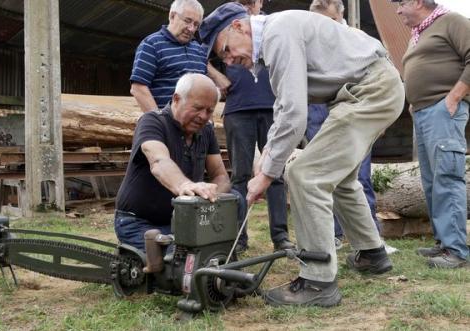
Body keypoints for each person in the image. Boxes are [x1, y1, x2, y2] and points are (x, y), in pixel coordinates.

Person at [200, 3, 404, 307]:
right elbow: (284, 108)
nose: (229, 60)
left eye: (227, 50)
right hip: (369, 90)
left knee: (305, 175)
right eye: (223, 58)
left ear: (240, 26)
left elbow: (294, 115)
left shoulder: (278, 34)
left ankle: (318, 281)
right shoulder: (275, 40)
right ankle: (372, 254)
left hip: (369, 90)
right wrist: (269, 154)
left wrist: (267, 174)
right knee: (342, 180)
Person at [307, 0, 398, 254]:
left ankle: (373, 240)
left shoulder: (359, 38)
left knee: (361, 176)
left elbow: (382, 79)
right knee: (322, 174)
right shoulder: (312, 40)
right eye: (319, 22)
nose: (325, 27)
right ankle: (332, 235)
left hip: (355, 108)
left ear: (341, 14)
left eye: (330, 21)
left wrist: (379, 122)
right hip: (319, 111)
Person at [115, 73, 235, 252]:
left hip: (183, 222)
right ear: (177, 99)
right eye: (197, 108)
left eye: (209, 111)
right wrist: (185, 185)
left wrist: (211, 194)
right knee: (182, 262)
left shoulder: (206, 130)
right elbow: (158, 161)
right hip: (138, 222)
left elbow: (220, 176)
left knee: (214, 256)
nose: (203, 116)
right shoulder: (152, 122)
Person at [395, 0, 470, 268]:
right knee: (431, 181)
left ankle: (457, 251)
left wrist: (454, 97)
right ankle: (443, 243)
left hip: (444, 110)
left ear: (417, 1)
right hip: (425, 113)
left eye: (401, 3)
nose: (397, 10)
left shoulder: (453, 21)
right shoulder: (420, 33)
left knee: (447, 178)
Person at [215, 0, 294, 253]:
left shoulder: (273, 27)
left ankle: (280, 237)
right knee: (239, 175)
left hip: (272, 107)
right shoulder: (224, 31)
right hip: (238, 109)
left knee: (276, 174)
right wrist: (218, 76)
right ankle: (239, 238)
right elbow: (195, 51)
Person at [129, 0, 207, 112]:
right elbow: (138, 88)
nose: (191, 29)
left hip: (197, 125)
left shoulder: (199, 50)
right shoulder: (152, 44)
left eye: (196, 24)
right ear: (172, 16)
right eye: (187, 21)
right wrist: (159, 121)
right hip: (167, 124)